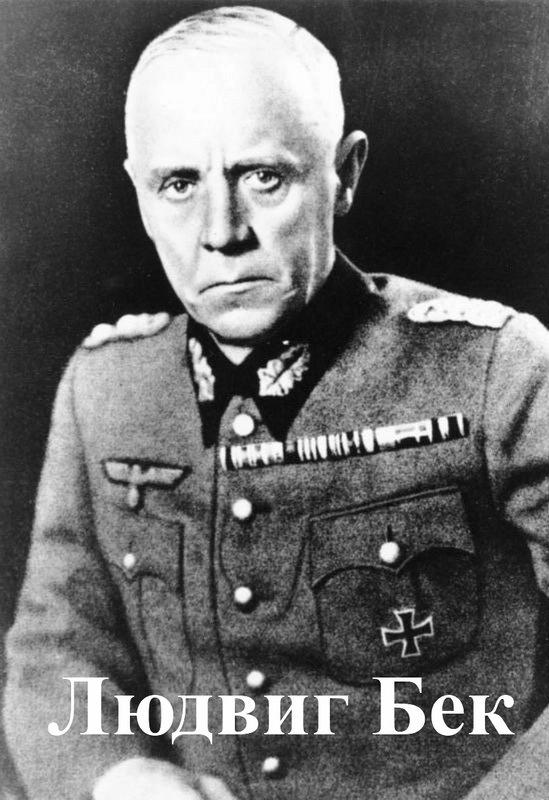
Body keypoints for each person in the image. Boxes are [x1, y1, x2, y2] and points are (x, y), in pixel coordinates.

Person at [4, 5, 549, 800]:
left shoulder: (497, 372)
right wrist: (116, 775)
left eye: (263, 177)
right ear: (139, 196)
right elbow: (57, 645)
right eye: (178, 185)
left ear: (344, 174)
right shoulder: (107, 390)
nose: (221, 232)